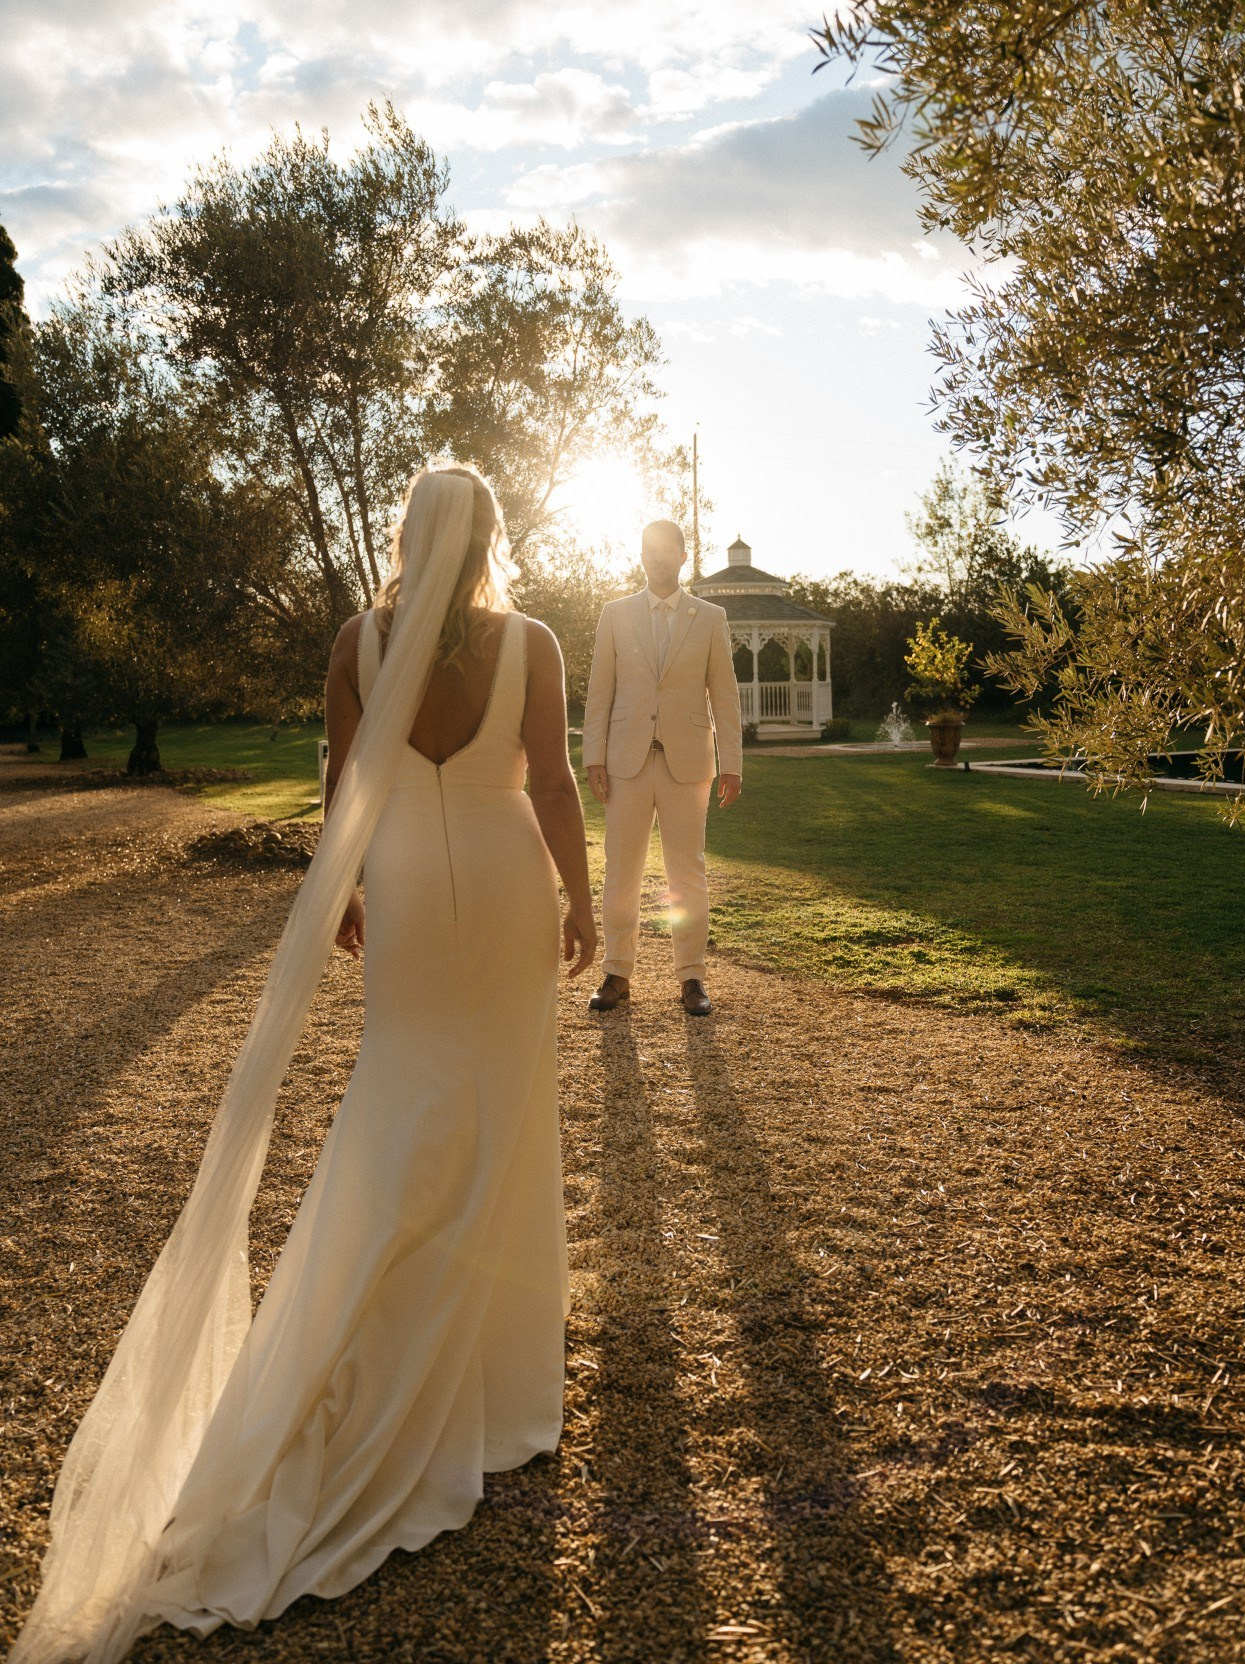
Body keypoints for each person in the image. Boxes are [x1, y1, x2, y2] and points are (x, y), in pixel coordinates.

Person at [13, 464, 597, 1664]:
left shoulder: (352, 639)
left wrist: (337, 892)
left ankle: (385, 1324)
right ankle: (492, 1373)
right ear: (491, 535)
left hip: (404, 899)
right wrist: (585, 901)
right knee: (502, 1109)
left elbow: (347, 781)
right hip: (499, 888)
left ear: (403, 534)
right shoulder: (529, 639)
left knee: (396, 1096)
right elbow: (547, 778)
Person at [582, 517, 742, 1018]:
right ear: (642, 556)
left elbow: (726, 694)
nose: (656, 558)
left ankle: (692, 978)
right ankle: (616, 973)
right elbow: (600, 690)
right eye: (648, 550)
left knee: (687, 873)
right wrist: (593, 755)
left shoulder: (710, 617)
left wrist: (732, 763)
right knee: (621, 872)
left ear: (682, 556)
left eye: (665, 550)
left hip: (689, 762)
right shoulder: (615, 613)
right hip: (626, 761)